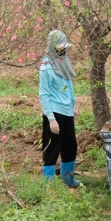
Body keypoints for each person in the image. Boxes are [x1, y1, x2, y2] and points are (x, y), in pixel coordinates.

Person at [38, 29, 81, 188]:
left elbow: (68, 85)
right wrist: (51, 119)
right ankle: (48, 185)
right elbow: (44, 94)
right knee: (52, 148)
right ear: (53, 47)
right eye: (60, 47)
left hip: (66, 110)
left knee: (70, 145)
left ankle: (68, 179)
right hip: (55, 112)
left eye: (64, 47)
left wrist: (73, 105)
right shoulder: (46, 67)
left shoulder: (63, 61)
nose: (63, 49)